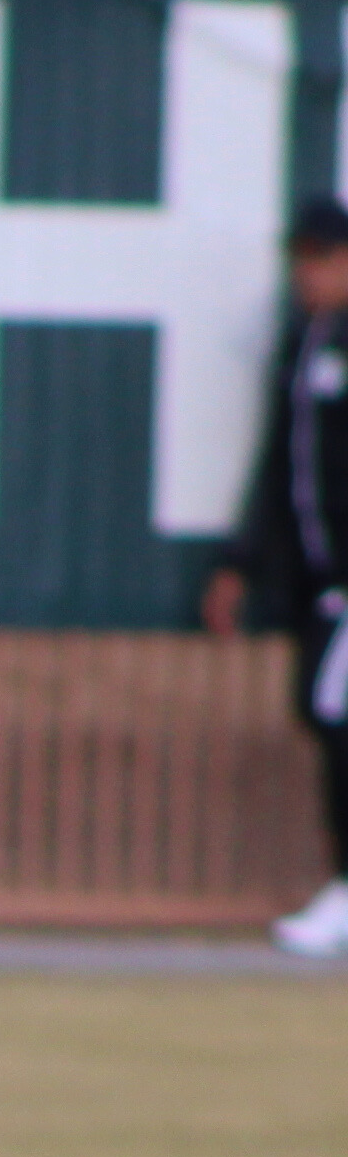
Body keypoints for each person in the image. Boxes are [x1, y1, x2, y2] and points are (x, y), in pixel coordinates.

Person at [197, 194, 348, 963]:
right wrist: (239, 562)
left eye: (323, 260)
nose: (308, 275)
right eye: (302, 261)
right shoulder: (304, 343)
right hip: (321, 586)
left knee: (337, 719)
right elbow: (281, 469)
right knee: (320, 714)